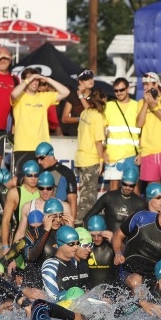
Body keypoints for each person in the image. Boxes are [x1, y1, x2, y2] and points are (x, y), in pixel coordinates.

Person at [112, 195, 161, 294]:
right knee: (136, 281)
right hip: (127, 271)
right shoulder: (142, 218)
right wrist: (118, 252)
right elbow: (118, 235)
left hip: (151, 278)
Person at [10, 68, 70, 172]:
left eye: (37, 80)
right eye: (31, 79)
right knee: (24, 179)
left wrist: (47, 79)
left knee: (43, 179)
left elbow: (66, 92)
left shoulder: (44, 97)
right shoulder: (19, 97)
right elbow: (13, 94)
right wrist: (29, 79)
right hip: (23, 147)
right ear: (24, 81)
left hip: (42, 148)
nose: (35, 82)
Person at [75, 89, 107, 224]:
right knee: (88, 199)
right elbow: (98, 141)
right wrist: (101, 160)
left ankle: (78, 222)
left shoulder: (84, 113)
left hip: (80, 158)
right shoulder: (97, 116)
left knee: (83, 195)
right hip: (90, 159)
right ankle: (79, 224)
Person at [82, 164, 145, 233]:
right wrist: (86, 235)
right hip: (108, 238)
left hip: (128, 239)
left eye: (131, 186)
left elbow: (144, 228)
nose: (127, 188)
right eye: (125, 184)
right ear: (121, 182)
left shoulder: (140, 203)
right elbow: (87, 217)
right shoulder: (109, 197)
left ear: (135, 185)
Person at [103, 77, 140, 192]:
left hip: (132, 154)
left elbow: (144, 131)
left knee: (134, 187)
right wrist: (103, 152)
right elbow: (103, 132)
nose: (119, 93)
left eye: (122, 90)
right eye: (116, 90)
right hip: (113, 154)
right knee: (113, 188)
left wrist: (141, 153)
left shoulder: (138, 106)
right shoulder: (108, 106)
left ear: (128, 89)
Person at [0, 161, 41, 257]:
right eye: (29, 175)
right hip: (20, 239)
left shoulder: (43, 192)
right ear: (24, 175)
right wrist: (5, 246)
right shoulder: (15, 193)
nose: (33, 178)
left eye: (36, 175)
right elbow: (6, 221)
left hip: (39, 240)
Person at [40, 225, 89, 302]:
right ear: (60, 244)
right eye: (71, 244)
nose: (76, 247)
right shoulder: (50, 265)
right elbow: (53, 299)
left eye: (77, 243)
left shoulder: (76, 263)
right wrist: (72, 295)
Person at [35, 142, 78, 223]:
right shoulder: (39, 173)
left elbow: (72, 200)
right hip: (43, 219)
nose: (39, 162)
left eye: (41, 158)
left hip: (60, 219)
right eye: (37, 159)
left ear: (51, 154)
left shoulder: (66, 173)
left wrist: (71, 223)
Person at [84, 215, 118, 289]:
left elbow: (125, 254)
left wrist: (114, 241)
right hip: (89, 292)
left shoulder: (111, 246)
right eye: (93, 235)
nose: (96, 238)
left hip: (111, 291)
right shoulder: (85, 247)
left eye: (99, 235)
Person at [60, 69, 95, 137]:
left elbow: (91, 113)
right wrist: (80, 119)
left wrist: (81, 96)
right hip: (75, 134)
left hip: (91, 133)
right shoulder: (73, 95)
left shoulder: (96, 95)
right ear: (80, 81)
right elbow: (64, 119)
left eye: (91, 78)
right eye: (86, 79)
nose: (90, 81)